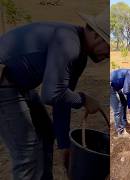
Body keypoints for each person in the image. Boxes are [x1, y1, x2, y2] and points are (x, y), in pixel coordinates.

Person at [0, 8, 109, 180]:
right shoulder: (69, 41)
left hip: (20, 84)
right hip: (4, 82)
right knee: (27, 152)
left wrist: (64, 146)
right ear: (96, 35)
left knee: (46, 133)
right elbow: (51, 94)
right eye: (109, 47)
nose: (109, 55)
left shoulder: (79, 55)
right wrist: (83, 99)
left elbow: (62, 99)